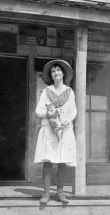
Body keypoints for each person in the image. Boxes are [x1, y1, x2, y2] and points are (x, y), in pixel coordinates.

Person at [34, 59, 77, 204]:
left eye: (58, 70)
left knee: (62, 162)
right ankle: (46, 193)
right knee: (48, 162)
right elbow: (39, 111)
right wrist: (50, 113)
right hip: (49, 129)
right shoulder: (47, 92)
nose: (56, 73)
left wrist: (65, 120)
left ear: (63, 74)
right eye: (53, 71)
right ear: (51, 75)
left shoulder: (69, 92)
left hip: (64, 130)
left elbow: (73, 111)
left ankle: (60, 193)